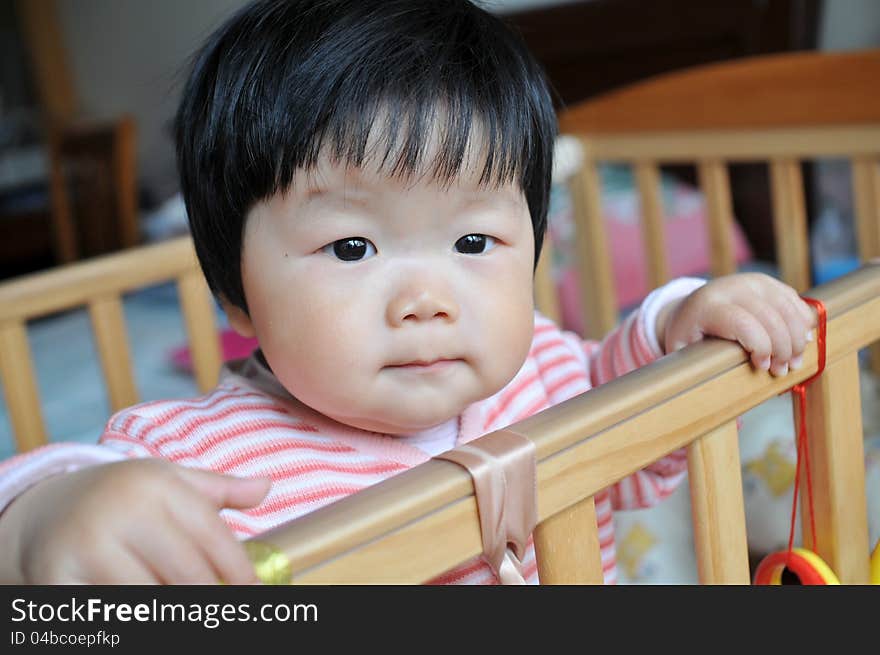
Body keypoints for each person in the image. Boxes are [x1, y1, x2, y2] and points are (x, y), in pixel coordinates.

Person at [0, 0, 814, 584]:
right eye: (352, 246)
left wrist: (682, 317)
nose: (426, 298)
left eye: (473, 242)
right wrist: (46, 520)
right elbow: (73, 487)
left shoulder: (547, 380)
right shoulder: (213, 465)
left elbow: (630, 397)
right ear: (234, 292)